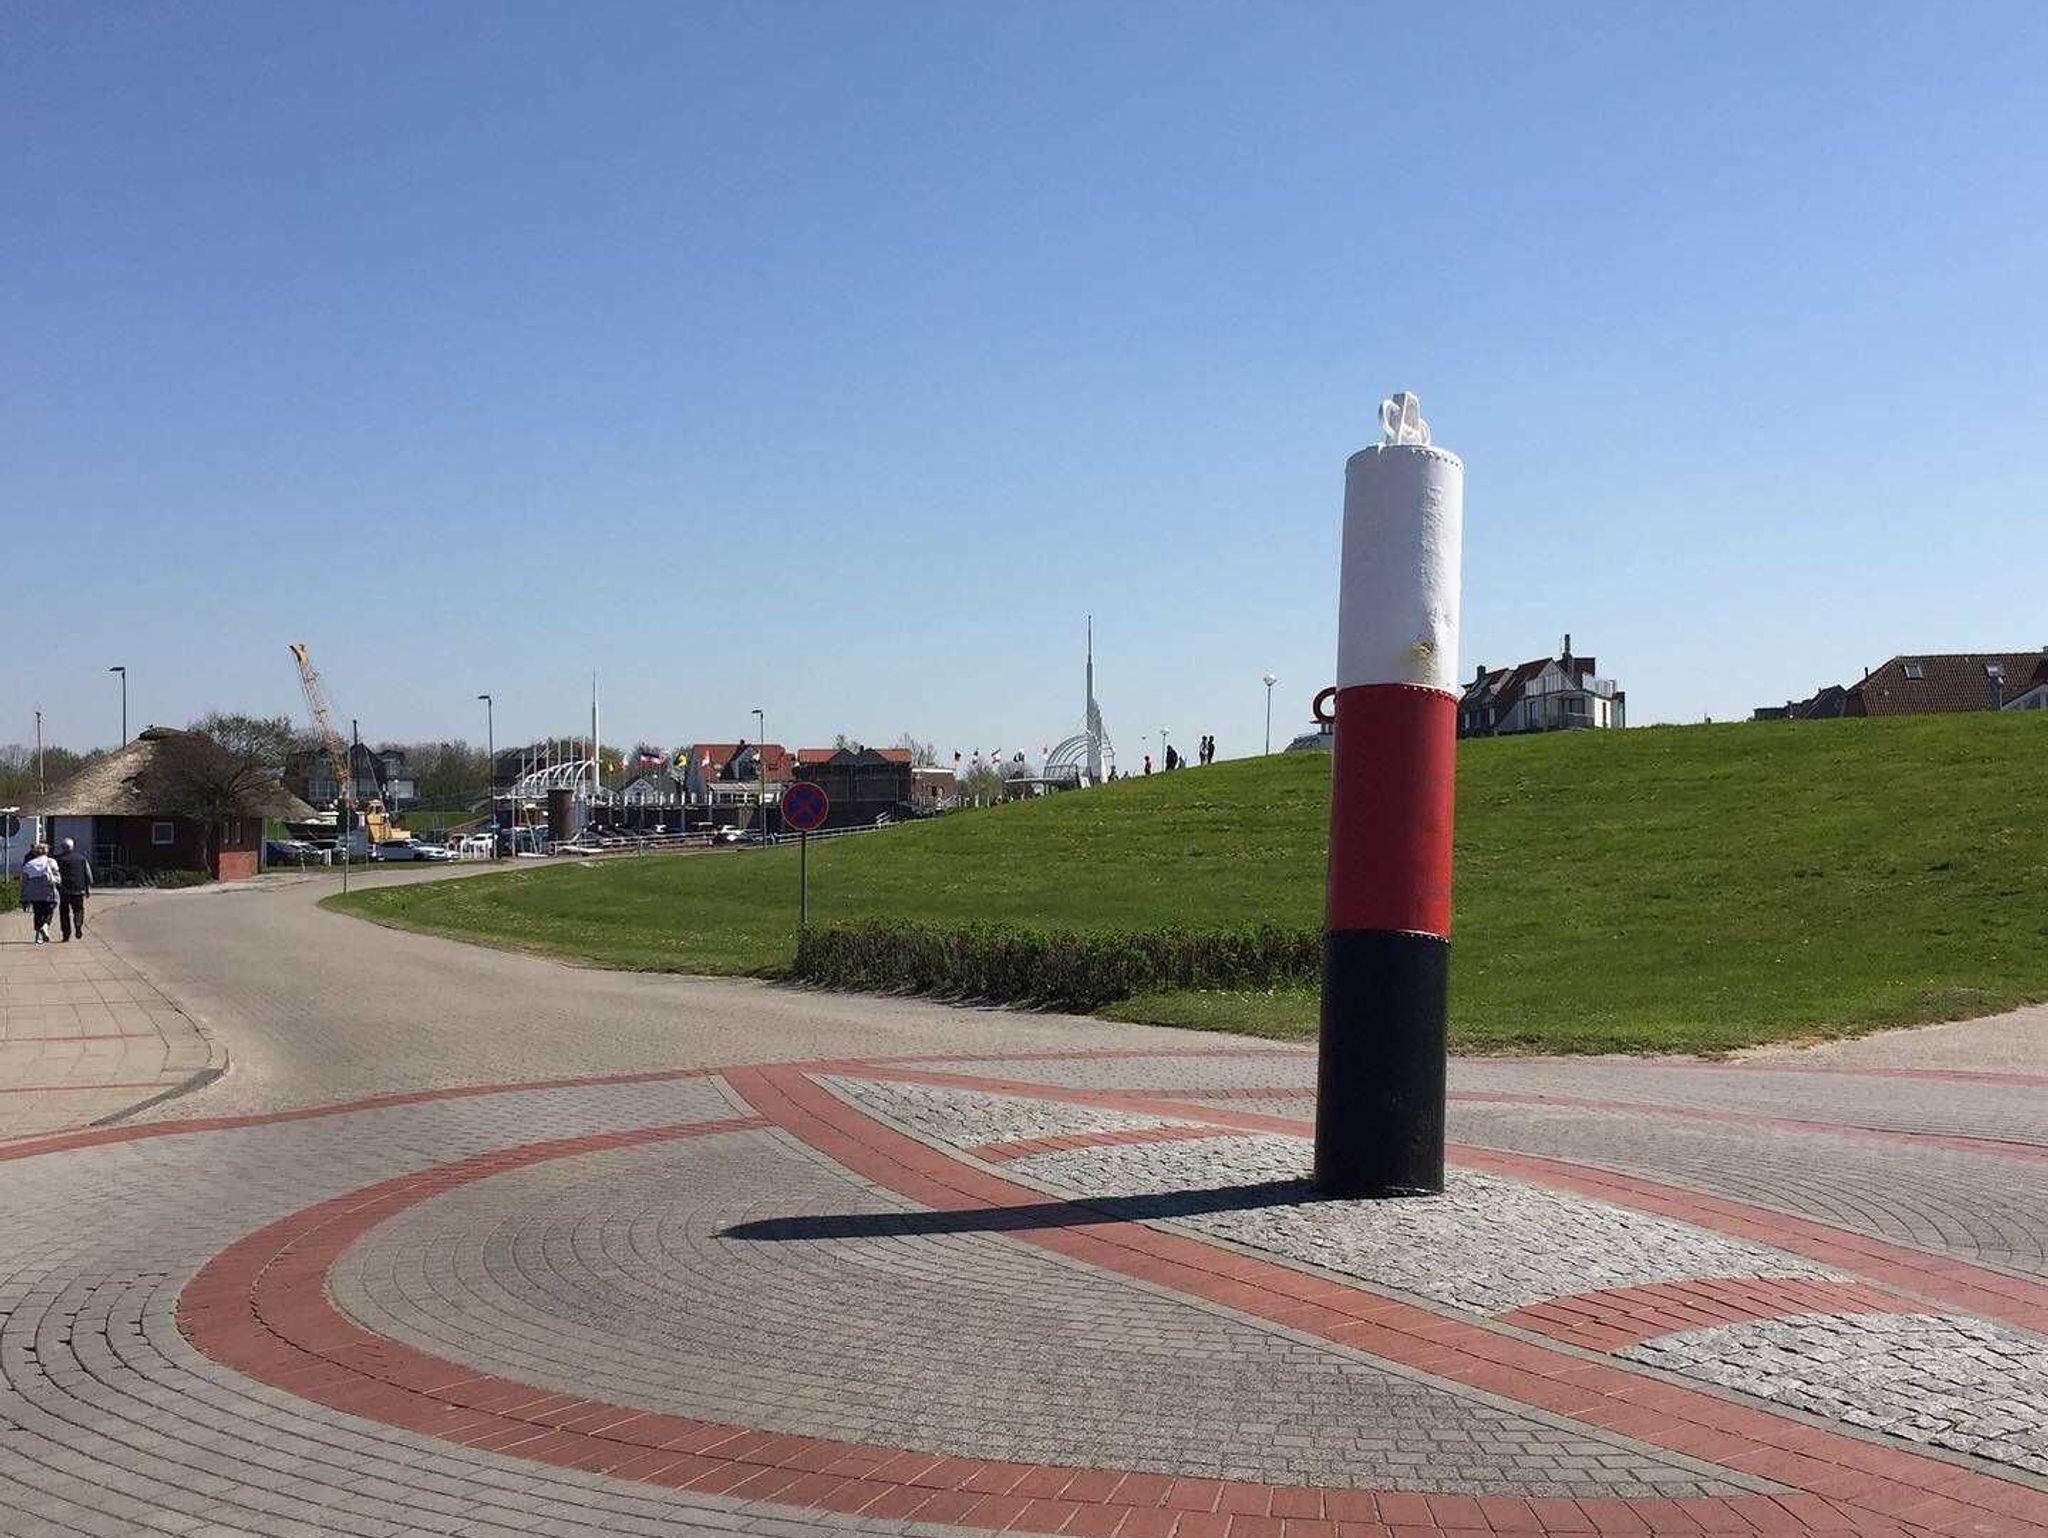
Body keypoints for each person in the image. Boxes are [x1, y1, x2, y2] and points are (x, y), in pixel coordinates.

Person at [18, 842, 60, 945]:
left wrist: (23, 895)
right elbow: (57, 877)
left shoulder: (29, 864)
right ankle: (45, 927)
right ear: (47, 851)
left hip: (33, 892)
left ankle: (38, 937)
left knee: (38, 912)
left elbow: (24, 882)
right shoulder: (51, 862)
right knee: (49, 911)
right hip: (48, 891)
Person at [56, 837, 92, 941]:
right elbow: (88, 874)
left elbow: (55, 874)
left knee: (64, 913)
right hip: (78, 889)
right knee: (78, 910)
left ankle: (66, 934)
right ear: (73, 847)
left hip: (64, 890)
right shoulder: (81, 858)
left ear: (62, 847)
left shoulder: (58, 860)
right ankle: (78, 926)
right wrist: (88, 888)